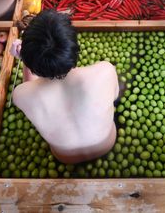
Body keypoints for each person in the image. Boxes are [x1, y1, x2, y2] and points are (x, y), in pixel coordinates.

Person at [10, 10, 118, 164]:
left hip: (64, 157)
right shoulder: (104, 71)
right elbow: (113, 97)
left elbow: (32, 85)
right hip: (106, 145)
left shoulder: (20, 95)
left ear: (29, 61)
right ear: (75, 49)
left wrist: (26, 62)